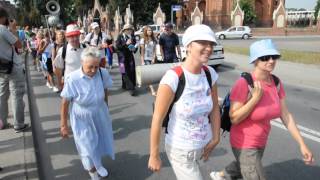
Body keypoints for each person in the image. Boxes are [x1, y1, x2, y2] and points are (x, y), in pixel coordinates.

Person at [210, 39, 314, 180]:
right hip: (243, 142)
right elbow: (234, 117)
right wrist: (254, 99)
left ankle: (222, 175)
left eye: (274, 57)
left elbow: (286, 115)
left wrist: (302, 144)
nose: (271, 61)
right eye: (265, 57)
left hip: (261, 141)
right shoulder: (244, 83)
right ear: (256, 61)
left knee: (246, 165)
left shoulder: (276, 82)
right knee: (255, 173)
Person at [148, 24, 221, 180]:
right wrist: (154, 155)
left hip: (202, 146)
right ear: (188, 46)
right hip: (180, 150)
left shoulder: (210, 74)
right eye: (203, 43)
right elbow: (157, 119)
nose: (209, 48)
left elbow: (215, 108)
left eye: (211, 44)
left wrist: (216, 137)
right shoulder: (173, 78)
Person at [60, 47, 114, 180]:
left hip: (100, 113)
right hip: (82, 117)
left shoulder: (103, 73)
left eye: (96, 66)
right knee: (86, 145)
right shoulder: (73, 79)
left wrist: (106, 106)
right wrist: (63, 125)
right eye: (90, 67)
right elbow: (65, 102)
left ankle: (98, 165)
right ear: (82, 63)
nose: (94, 70)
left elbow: (105, 89)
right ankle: (92, 171)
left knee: (99, 141)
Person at [0, 7, 29, 132]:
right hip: (13, 67)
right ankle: (19, 124)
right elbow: (19, 45)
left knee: (2, 95)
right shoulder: (2, 29)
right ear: (3, 17)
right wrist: (12, 30)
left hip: (1, 69)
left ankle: (2, 122)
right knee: (16, 95)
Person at [53, 24, 86, 91]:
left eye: (76, 35)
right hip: (70, 85)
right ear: (67, 38)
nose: (75, 39)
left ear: (79, 35)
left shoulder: (86, 48)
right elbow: (58, 69)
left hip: (85, 84)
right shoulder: (62, 51)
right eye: (71, 36)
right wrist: (60, 83)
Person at [115, 24, 137, 96]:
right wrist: (125, 43)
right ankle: (131, 88)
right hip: (121, 58)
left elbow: (135, 48)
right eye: (127, 29)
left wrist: (134, 48)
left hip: (130, 57)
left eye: (130, 29)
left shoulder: (133, 37)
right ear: (124, 30)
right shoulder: (120, 37)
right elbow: (117, 47)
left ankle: (127, 85)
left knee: (131, 70)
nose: (129, 31)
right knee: (123, 72)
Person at [140, 25, 157, 96]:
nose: (150, 31)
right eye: (148, 30)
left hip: (151, 58)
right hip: (146, 58)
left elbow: (154, 50)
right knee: (150, 74)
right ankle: (152, 90)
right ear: (146, 31)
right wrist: (142, 61)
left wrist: (153, 58)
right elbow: (142, 51)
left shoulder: (154, 39)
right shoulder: (143, 40)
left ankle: (149, 85)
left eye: (150, 30)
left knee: (152, 73)